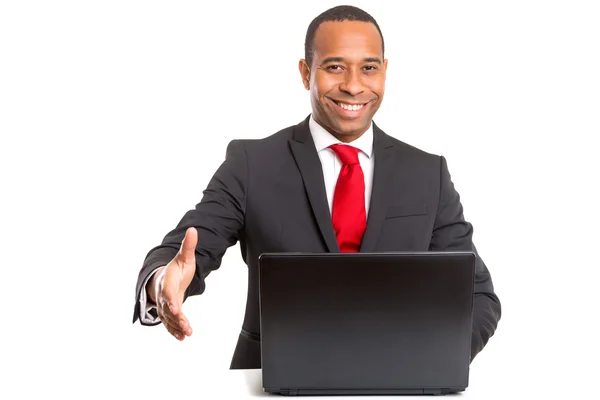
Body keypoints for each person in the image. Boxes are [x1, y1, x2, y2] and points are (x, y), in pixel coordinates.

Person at [132, 5, 501, 370]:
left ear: (385, 71)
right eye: (335, 67)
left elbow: (478, 295)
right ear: (306, 72)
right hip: (271, 382)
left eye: (369, 68)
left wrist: (427, 361)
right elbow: (186, 248)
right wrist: (162, 281)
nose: (354, 85)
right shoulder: (252, 163)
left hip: (397, 388)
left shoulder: (427, 173)